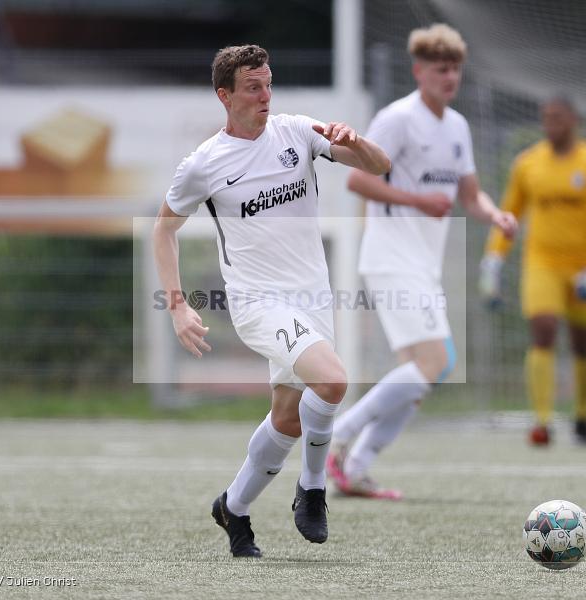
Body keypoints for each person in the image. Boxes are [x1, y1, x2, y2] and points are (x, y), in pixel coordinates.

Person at [154, 44, 390, 557]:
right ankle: (312, 489)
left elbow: (380, 165)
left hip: (313, 298)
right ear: (225, 95)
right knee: (332, 380)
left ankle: (233, 509)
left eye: (268, 84)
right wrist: (178, 305)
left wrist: (357, 141)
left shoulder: (297, 132)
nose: (265, 95)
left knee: (287, 419)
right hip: (257, 302)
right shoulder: (204, 164)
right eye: (253, 87)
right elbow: (163, 230)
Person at [325, 24, 517, 499]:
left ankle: (355, 469)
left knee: (420, 378)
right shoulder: (397, 118)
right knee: (438, 361)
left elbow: (469, 195)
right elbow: (356, 181)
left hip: (422, 264)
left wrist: (496, 215)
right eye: (440, 68)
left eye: (455, 68)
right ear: (419, 71)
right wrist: (415, 199)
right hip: (391, 255)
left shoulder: (457, 127)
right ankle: (341, 436)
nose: (449, 76)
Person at [479, 95, 586, 446]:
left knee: (581, 343)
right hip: (541, 264)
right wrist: (493, 262)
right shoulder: (528, 164)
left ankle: (583, 413)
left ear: (573, 120)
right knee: (543, 329)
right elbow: (508, 216)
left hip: (583, 270)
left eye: (557, 117)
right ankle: (542, 421)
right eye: (545, 117)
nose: (550, 123)